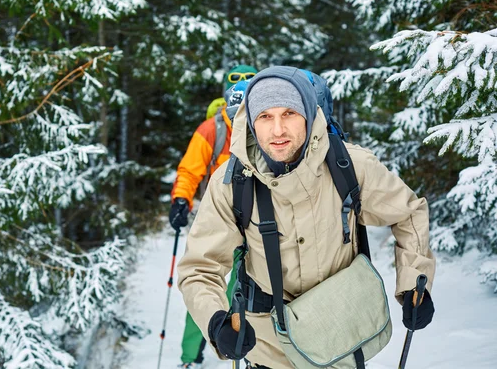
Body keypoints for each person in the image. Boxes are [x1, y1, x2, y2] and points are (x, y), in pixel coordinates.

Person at [177, 66, 436, 369]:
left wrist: (414, 282)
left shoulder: (350, 165)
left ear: (309, 115)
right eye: (265, 116)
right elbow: (199, 267)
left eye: (289, 113)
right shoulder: (233, 182)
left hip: (343, 337)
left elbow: (408, 212)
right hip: (270, 350)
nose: (277, 130)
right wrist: (217, 322)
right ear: (250, 121)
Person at [169, 65, 257, 369]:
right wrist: (182, 199)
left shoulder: (266, 126)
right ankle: (190, 357)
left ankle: (257, 351)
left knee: (250, 289)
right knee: (207, 286)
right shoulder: (212, 130)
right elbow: (190, 169)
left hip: (258, 223)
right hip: (217, 220)